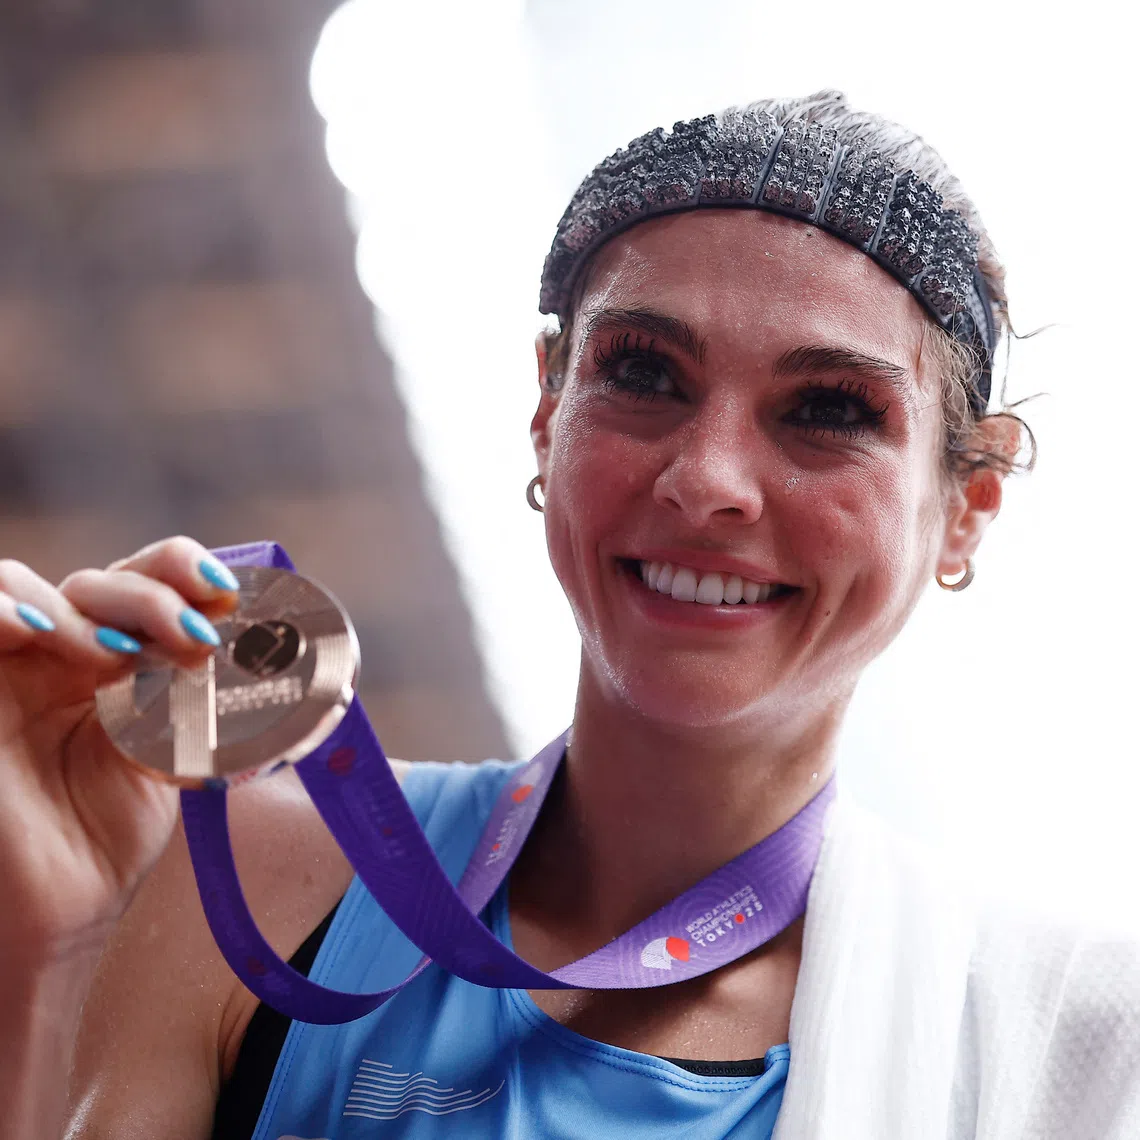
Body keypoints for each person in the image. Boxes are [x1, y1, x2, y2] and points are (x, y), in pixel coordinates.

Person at [3, 90, 1138, 1140]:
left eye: (830, 408)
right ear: (549, 413)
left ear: (965, 512)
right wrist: (42, 948)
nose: (709, 480)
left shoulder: (1072, 1045)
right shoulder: (268, 875)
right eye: (645, 374)